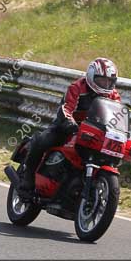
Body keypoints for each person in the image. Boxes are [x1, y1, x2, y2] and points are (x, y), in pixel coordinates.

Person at [17, 58, 121, 199]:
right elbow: (66, 109)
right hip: (67, 126)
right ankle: (28, 178)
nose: (106, 84)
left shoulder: (113, 95)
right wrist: (70, 124)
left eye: (110, 81)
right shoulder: (77, 87)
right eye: (102, 80)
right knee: (43, 140)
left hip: (93, 133)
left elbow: (117, 116)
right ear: (91, 76)